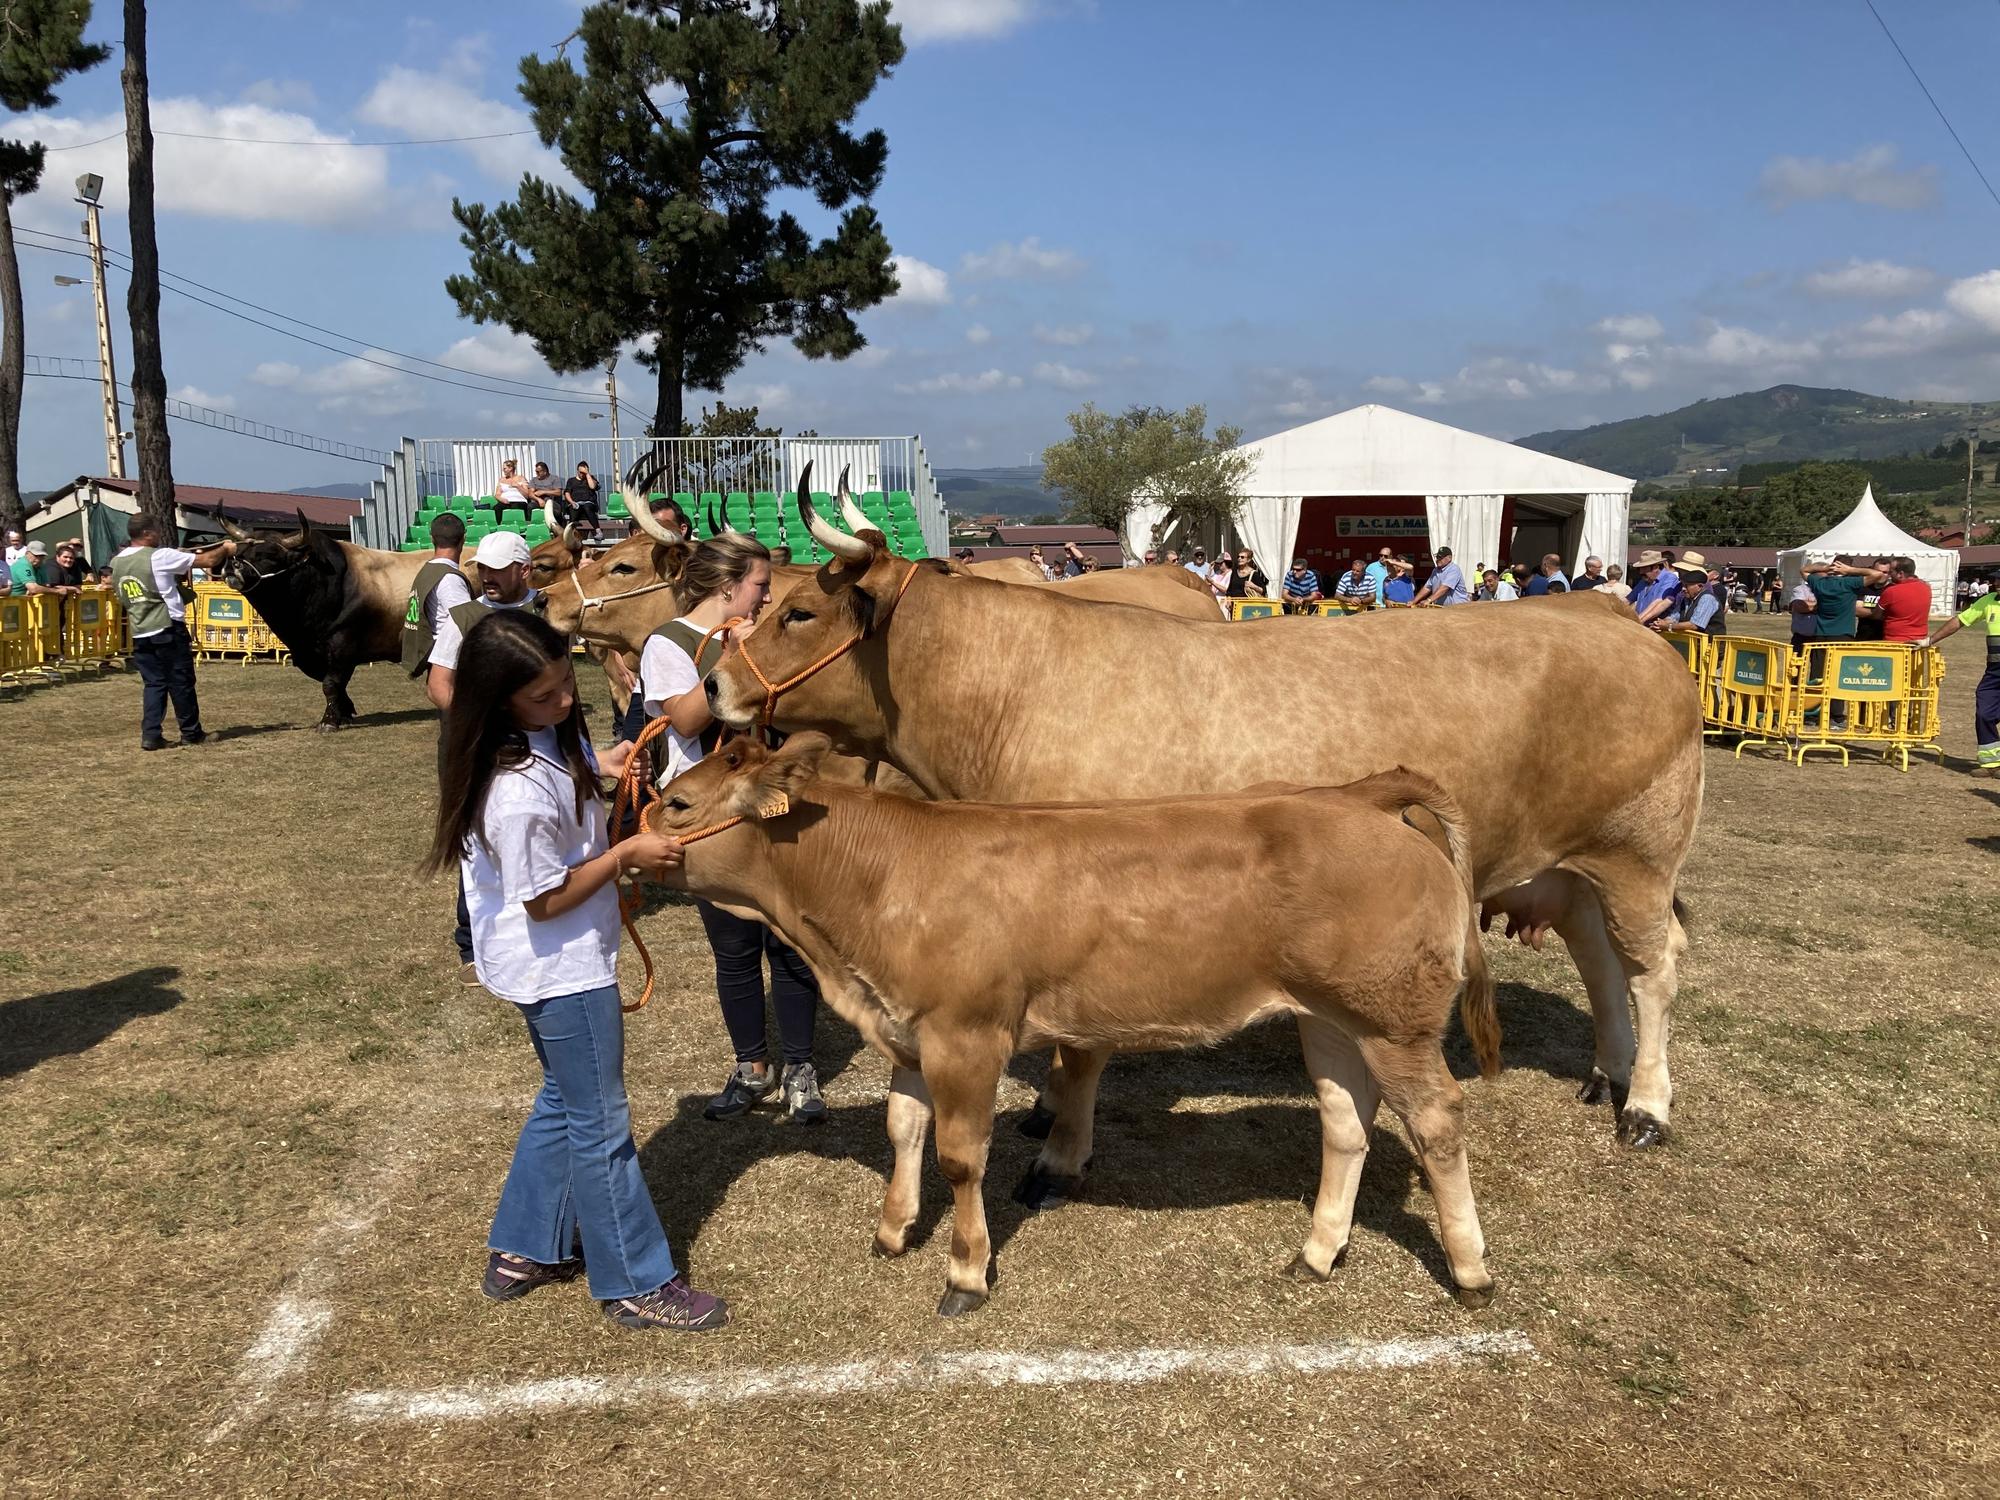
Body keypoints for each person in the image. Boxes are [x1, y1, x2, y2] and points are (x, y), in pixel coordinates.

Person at [423, 609, 726, 1332]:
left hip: (559, 964)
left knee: (566, 1100)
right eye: (544, 696)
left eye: (567, 685)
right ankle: (634, 1281)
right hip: (559, 969)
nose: (563, 703)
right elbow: (545, 899)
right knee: (600, 1125)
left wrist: (604, 768)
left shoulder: (542, 745)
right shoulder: (516, 792)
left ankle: (525, 1247)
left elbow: (567, 785)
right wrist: (625, 856)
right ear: (498, 702)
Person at [639, 533, 827, 1126]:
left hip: (767, 802)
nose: (766, 597)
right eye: (759, 586)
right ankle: (752, 1065)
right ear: (727, 587)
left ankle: (800, 1067)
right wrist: (736, 660)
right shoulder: (667, 644)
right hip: (713, 815)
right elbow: (687, 718)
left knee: (792, 941)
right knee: (735, 947)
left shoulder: (763, 638)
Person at [114, 515, 226, 751]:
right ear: (146, 533)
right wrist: (226, 547)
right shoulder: (159, 556)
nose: (159, 534)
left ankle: (151, 735)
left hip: (140, 629)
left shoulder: (117, 562)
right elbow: (208, 560)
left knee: (154, 684)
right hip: (167, 625)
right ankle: (191, 733)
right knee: (181, 681)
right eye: (155, 530)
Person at [426, 530, 544, 713]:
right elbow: (438, 685)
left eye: (497, 569)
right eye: (482, 567)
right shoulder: (463, 617)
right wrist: (477, 724)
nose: (487, 577)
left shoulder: (549, 607)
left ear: (524, 570)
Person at [1925, 579, 2000, 774]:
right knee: (1984, 712)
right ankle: (1991, 763)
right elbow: (1959, 621)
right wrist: (1930, 640)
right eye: (1997, 580)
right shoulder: (1989, 601)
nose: (1997, 583)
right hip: (1994, 671)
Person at [401, 512, 472, 685]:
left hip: (437, 658)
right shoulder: (450, 579)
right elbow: (466, 624)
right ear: (463, 539)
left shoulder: (426, 571)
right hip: (450, 661)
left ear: (432, 539)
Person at [1870, 556, 1931, 642]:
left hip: (1895, 641)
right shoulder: (1926, 588)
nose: (1890, 575)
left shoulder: (1891, 591)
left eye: (1891, 572)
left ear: (1900, 574)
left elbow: (1876, 615)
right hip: (1920, 639)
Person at [1663, 563, 1723, 636]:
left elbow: (1694, 625)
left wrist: (1669, 626)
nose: (1683, 589)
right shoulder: (1685, 599)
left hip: (1709, 645)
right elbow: (1673, 617)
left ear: (1699, 586)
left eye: (1686, 586)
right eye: (1682, 585)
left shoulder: (1707, 598)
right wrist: (1661, 623)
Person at [9, 539, 77, 599]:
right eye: (36, 556)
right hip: (12, 605)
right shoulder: (23, 565)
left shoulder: (41, 566)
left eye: (41, 556)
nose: (38, 559)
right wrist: (57, 591)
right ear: (27, 553)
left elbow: (46, 586)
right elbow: (33, 588)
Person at [558, 461, 602, 537]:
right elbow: (567, 493)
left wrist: (587, 474)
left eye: (584, 472)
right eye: (581, 472)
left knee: (587, 506)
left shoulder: (591, 479)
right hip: (576, 503)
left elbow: (592, 487)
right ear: (577, 471)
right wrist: (572, 502)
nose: (582, 474)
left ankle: (598, 531)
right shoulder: (571, 481)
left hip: (589, 503)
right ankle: (571, 532)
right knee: (573, 509)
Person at [492, 459, 538, 525]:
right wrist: (502, 499)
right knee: (497, 508)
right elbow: (497, 494)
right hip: (505, 502)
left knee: (516, 508)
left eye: (505, 468)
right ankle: (498, 527)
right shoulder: (502, 480)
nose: (503, 470)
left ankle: (516, 528)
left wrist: (518, 486)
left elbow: (527, 494)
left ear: (510, 468)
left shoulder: (521, 478)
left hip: (519, 501)